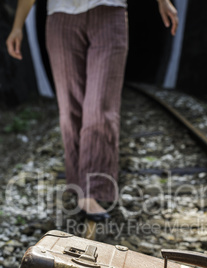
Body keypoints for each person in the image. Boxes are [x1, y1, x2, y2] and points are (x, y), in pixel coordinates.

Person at [6, 0, 178, 221]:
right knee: (70, 110)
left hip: (109, 12)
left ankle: (91, 191)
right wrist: (18, 25)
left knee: (99, 108)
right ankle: (79, 186)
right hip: (61, 18)